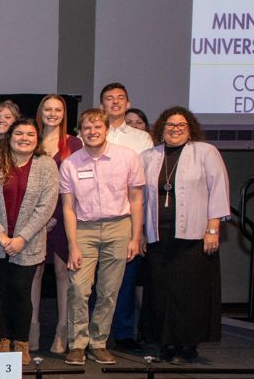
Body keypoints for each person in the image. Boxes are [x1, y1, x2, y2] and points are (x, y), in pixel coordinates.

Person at [138, 107, 228, 365]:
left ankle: (187, 346)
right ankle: (166, 344)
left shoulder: (205, 152)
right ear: (161, 129)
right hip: (158, 235)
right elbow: (141, 199)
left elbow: (218, 189)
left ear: (190, 129)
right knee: (161, 292)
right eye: (170, 125)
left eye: (181, 125)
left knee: (189, 294)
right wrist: (141, 232)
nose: (175, 129)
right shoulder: (149, 156)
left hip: (195, 236)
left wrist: (212, 230)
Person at [59, 108, 145, 366]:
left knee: (109, 291)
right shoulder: (70, 163)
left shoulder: (128, 157)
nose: (93, 131)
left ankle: (98, 342)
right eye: (87, 127)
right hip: (84, 230)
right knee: (79, 289)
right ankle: (78, 344)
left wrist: (135, 237)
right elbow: (68, 207)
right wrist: (72, 244)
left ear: (106, 129)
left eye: (98, 127)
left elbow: (136, 200)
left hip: (119, 227)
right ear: (80, 132)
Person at [0, 118, 58, 364]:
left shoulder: (46, 165)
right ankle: (2, 341)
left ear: (37, 139)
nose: (24, 138)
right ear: (10, 136)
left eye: (30, 134)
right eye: (19, 133)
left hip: (29, 243)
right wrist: (1, 235)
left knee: (22, 293)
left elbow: (47, 206)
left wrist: (22, 238)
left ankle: (21, 343)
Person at [98, 83, 152, 353]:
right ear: (102, 105)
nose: (115, 102)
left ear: (128, 103)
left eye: (120, 98)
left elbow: (146, 185)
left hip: (127, 216)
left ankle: (123, 332)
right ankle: (96, 335)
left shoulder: (141, 139)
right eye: (109, 98)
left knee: (126, 280)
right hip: (93, 216)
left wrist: (140, 229)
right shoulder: (93, 130)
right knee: (94, 281)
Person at [33, 94, 81, 354]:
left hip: (63, 218)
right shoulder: (31, 138)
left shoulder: (74, 144)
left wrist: (55, 218)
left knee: (64, 274)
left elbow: (78, 186)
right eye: (47, 109)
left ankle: (62, 332)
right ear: (41, 112)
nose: (52, 113)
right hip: (34, 220)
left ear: (64, 114)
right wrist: (39, 219)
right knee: (35, 274)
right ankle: (32, 330)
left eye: (58, 110)